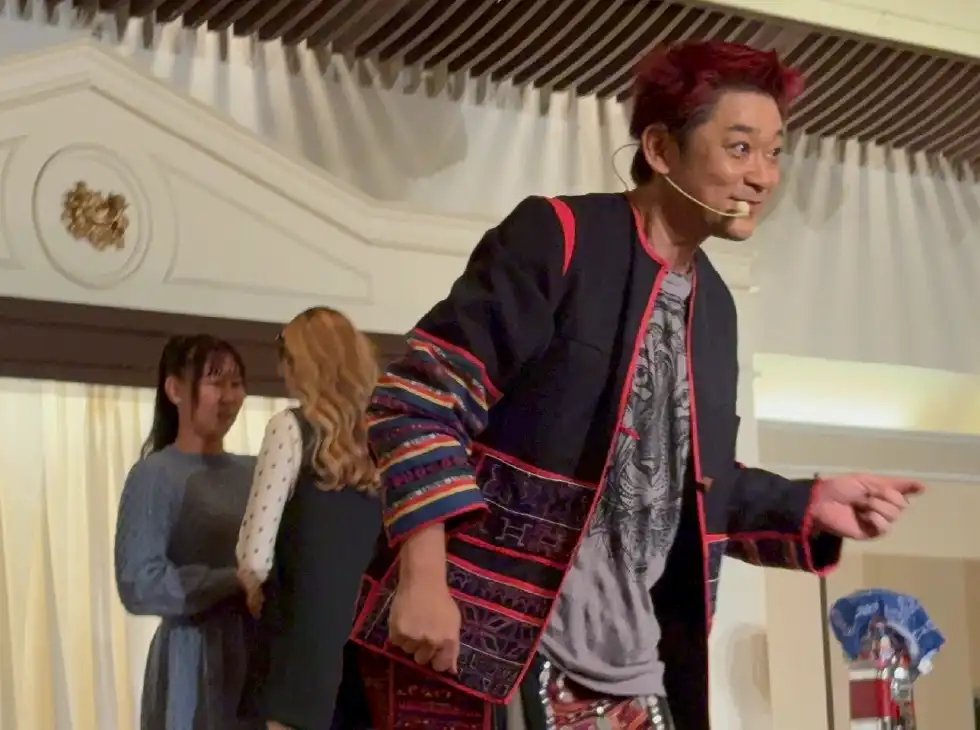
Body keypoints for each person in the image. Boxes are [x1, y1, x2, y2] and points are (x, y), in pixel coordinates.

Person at [350, 40, 924, 730]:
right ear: (660, 148)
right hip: (484, 643)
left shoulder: (714, 307)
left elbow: (687, 487)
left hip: (632, 667)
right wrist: (423, 578)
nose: (763, 177)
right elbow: (416, 403)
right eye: (740, 148)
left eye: (775, 153)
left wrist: (810, 503)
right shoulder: (559, 236)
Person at [236, 307, 382, 730]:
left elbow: (254, 556)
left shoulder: (290, 428)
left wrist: (254, 591)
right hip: (368, 650)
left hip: (298, 653)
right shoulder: (385, 440)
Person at [114, 334, 260, 730]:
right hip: (193, 662)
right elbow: (139, 583)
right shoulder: (154, 474)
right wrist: (231, 581)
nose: (229, 396)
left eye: (236, 383)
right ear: (175, 389)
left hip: (262, 657)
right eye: (216, 382)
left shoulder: (256, 470)